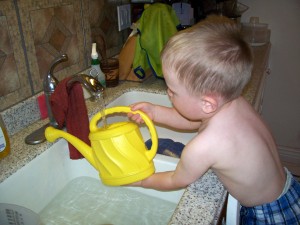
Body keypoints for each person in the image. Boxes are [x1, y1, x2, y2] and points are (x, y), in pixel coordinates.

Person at [127, 15, 300, 224]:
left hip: (267, 215)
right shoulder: (234, 102)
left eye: (172, 90)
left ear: (207, 103)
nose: (168, 94)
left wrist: (143, 181)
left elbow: (175, 179)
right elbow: (194, 120)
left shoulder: (202, 147)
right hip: (289, 189)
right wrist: (155, 112)